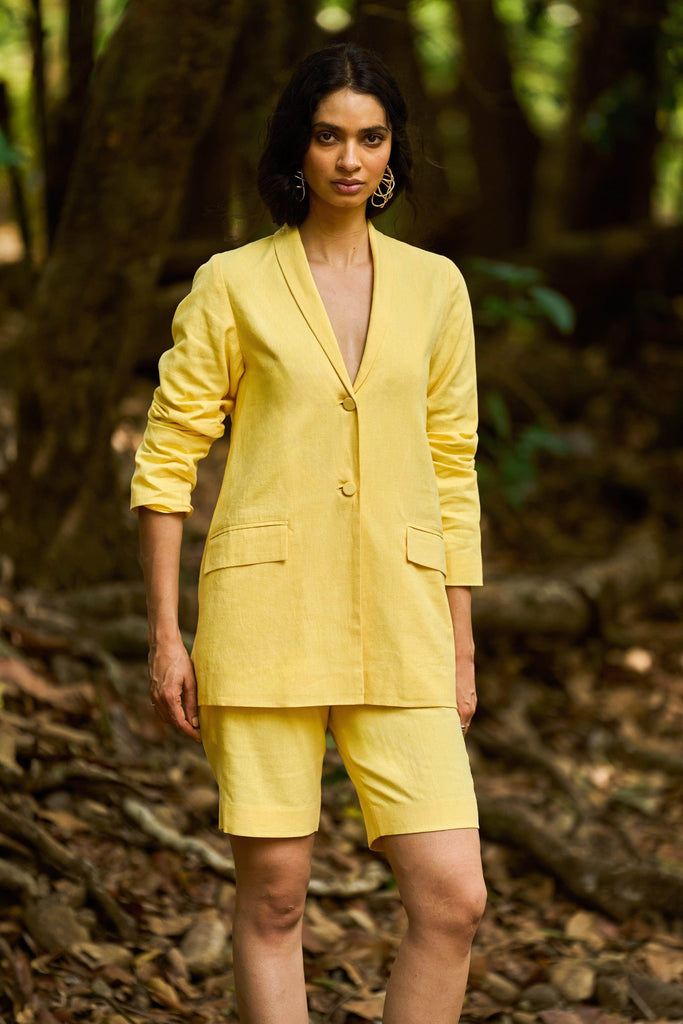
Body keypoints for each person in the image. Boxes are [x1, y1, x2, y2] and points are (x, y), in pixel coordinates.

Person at [130, 41, 486, 1024]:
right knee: (276, 897)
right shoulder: (232, 282)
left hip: (402, 621)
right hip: (265, 619)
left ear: (391, 149)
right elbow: (168, 458)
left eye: (370, 137)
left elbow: (451, 467)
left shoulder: (436, 287)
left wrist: (459, 639)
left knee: (452, 897)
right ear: (298, 146)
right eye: (329, 136)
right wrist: (165, 634)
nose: (349, 158)